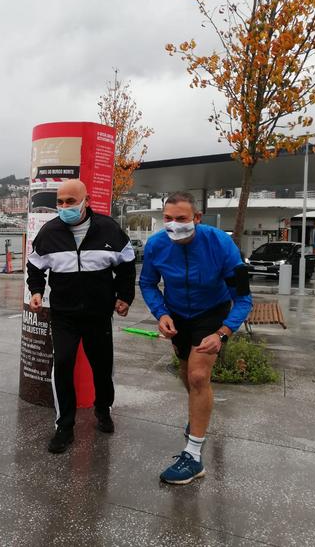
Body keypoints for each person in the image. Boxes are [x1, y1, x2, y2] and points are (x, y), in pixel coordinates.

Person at [139, 191, 252, 484]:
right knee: (187, 372)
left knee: (199, 376)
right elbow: (148, 283)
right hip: (177, 314)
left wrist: (223, 333)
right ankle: (197, 411)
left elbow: (243, 299)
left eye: (181, 219)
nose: (174, 225)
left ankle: (193, 456)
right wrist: (161, 313)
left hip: (211, 313)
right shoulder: (156, 245)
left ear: (197, 219)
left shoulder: (221, 243)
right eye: (167, 219)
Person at [26, 179, 136, 454]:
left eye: (70, 202)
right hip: (64, 314)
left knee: (102, 366)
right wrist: (36, 291)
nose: (64, 207)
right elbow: (35, 265)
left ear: (86, 201)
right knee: (62, 364)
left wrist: (125, 297)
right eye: (60, 202)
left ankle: (102, 409)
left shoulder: (109, 228)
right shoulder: (49, 232)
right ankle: (64, 426)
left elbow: (127, 264)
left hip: (98, 313)